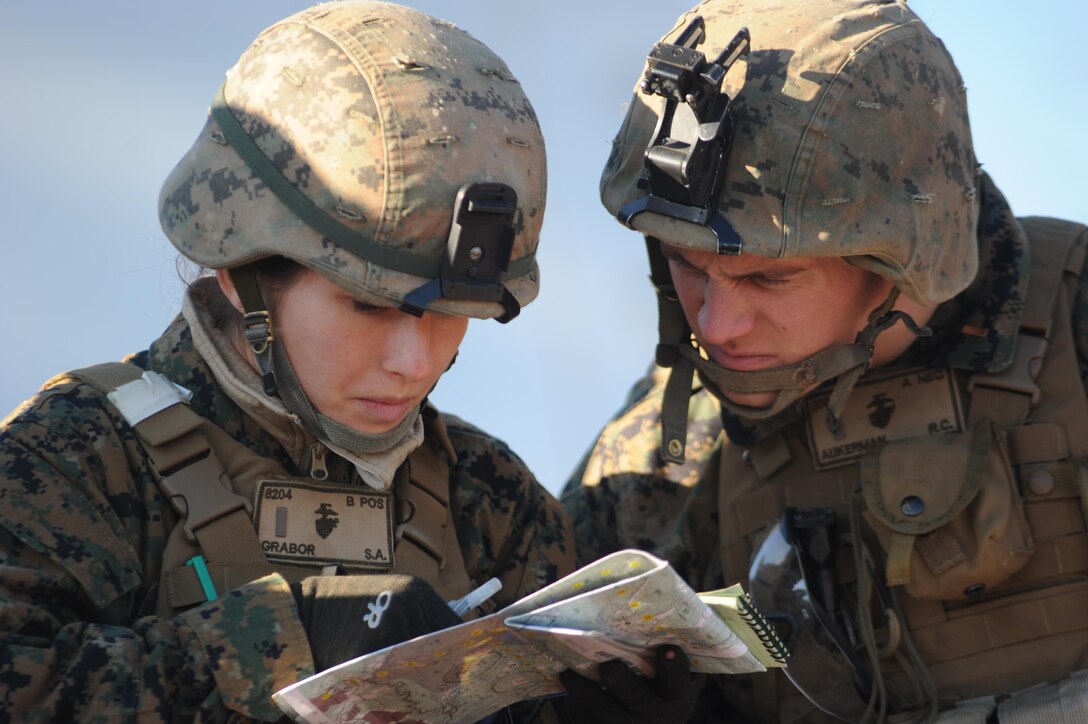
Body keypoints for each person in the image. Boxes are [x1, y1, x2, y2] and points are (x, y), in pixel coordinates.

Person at [0, 2, 576, 720]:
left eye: (451, 314)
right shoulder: (74, 463)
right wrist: (283, 643)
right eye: (369, 306)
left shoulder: (491, 500)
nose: (412, 361)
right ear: (244, 270)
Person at [562, 0, 1088, 721]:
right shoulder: (667, 452)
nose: (718, 325)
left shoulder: (1075, 331)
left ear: (911, 257)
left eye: (768, 278)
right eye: (686, 266)